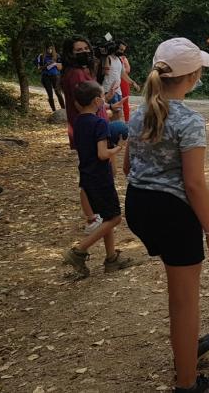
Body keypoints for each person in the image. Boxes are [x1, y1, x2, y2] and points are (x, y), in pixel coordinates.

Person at [122, 38, 209, 393]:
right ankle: (187, 383)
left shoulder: (139, 114)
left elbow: (127, 167)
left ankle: (186, 347)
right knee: (184, 302)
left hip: (138, 205)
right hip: (172, 213)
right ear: (194, 75)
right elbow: (194, 184)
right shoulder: (189, 120)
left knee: (178, 294)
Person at [62, 81, 137, 280]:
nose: (105, 100)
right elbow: (103, 154)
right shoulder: (100, 123)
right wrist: (119, 147)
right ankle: (79, 250)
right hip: (100, 178)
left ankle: (111, 258)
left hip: (87, 176)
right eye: (103, 97)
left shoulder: (78, 121)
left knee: (106, 218)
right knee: (115, 218)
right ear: (97, 101)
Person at [59, 36, 107, 233]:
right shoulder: (75, 74)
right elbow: (82, 104)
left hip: (94, 127)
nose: (83, 52)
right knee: (90, 174)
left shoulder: (84, 71)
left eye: (85, 48)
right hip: (88, 131)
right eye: (78, 50)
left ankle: (97, 212)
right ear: (70, 53)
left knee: (97, 172)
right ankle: (91, 217)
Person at [35, 45, 66, 112]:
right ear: (45, 49)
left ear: (53, 49)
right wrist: (46, 65)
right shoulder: (41, 56)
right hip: (46, 76)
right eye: (48, 49)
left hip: (56, 76)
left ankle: (63, 110)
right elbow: (39, 69)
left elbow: (60, 68)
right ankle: (54, 111)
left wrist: (55, 64)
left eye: (51, 49)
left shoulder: (57, 56)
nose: (49, 50)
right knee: (50, 94)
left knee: (58, 92)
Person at [115, 41, 139, 122]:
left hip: (121, 83)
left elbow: (126, 71)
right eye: (120, 49)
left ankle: (126, 121)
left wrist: (133, 83)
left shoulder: (122, 59)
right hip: (110, 86)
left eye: (123, 50)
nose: (121, 51)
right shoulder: (107, 58)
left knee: (123, 103)